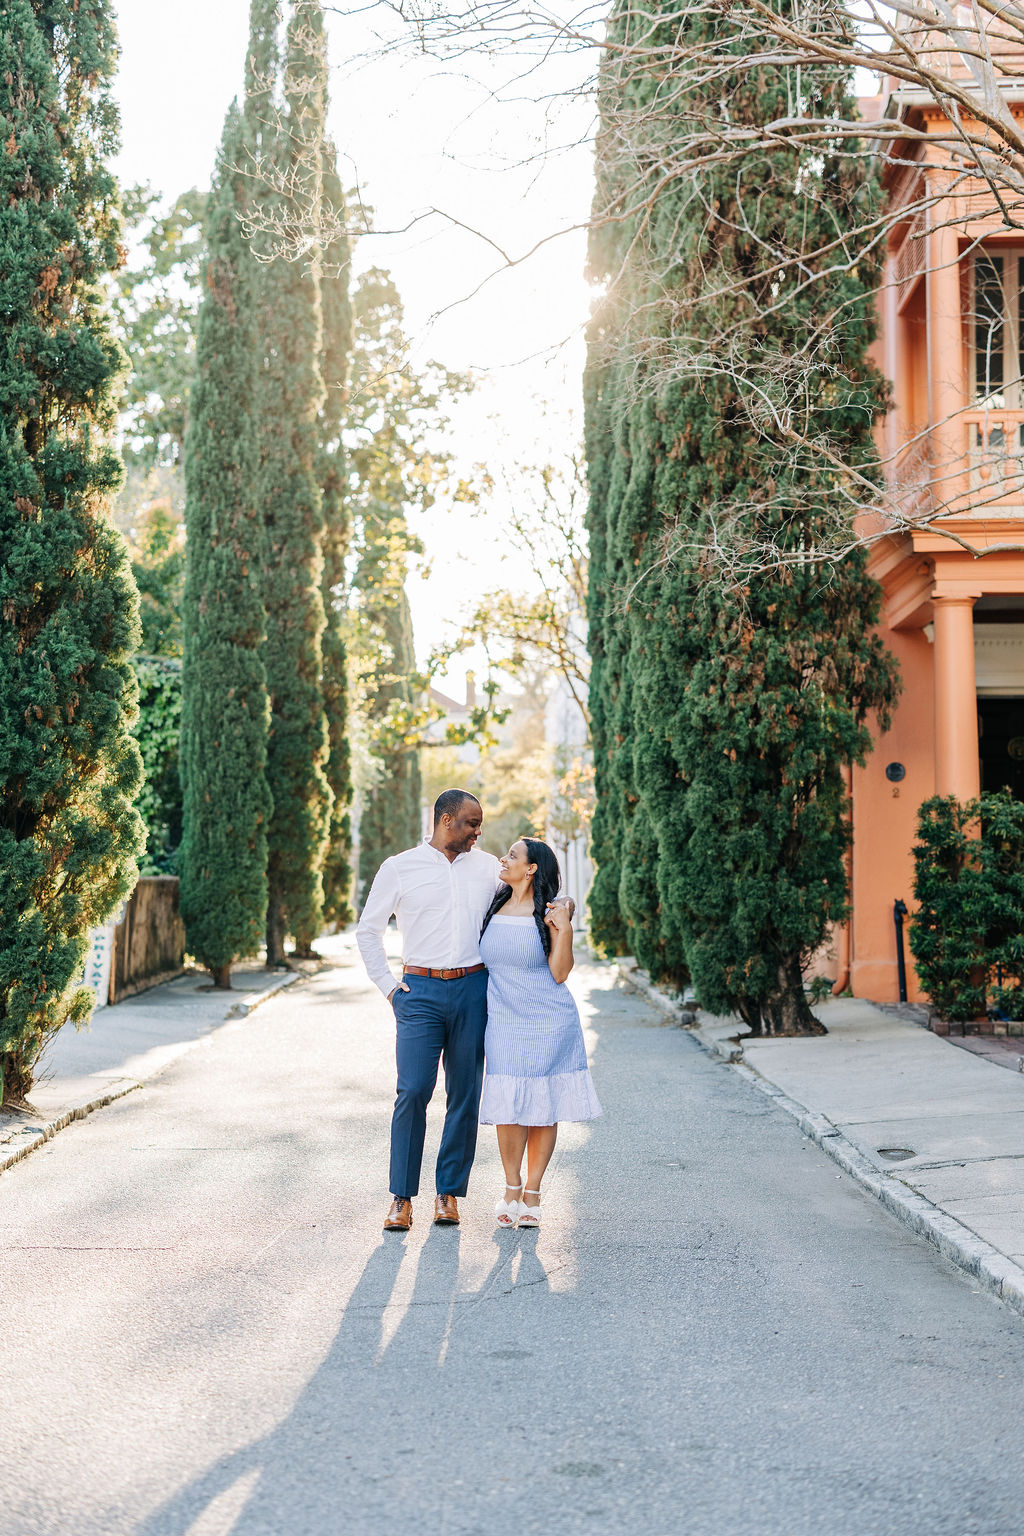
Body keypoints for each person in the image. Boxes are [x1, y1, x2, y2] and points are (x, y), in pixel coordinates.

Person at [356, 789, 498, 1233]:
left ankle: (448, 1194)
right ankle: (401, 1198)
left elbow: (527, 901)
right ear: (445, 820)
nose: (478, 832)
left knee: (465, 1093)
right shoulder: (399, 868)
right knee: (413, 1091)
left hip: (473, 988)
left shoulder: (490, 868)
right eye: (471, 823)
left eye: (479, 825)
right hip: (418, 992)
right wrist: (390, 990)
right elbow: (368, 930)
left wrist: (563, 905)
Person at [478, 837, 601, 1229]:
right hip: (503, 1020)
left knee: (542, 1108)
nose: (504, 858)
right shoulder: (492, 901)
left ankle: (532, 1192)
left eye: (513, 855)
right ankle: (510, 1187)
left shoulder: (548, 913)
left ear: (531, 869)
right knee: (507, 1107)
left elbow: (560, 973)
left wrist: (564, 925)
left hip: (548, 1020)